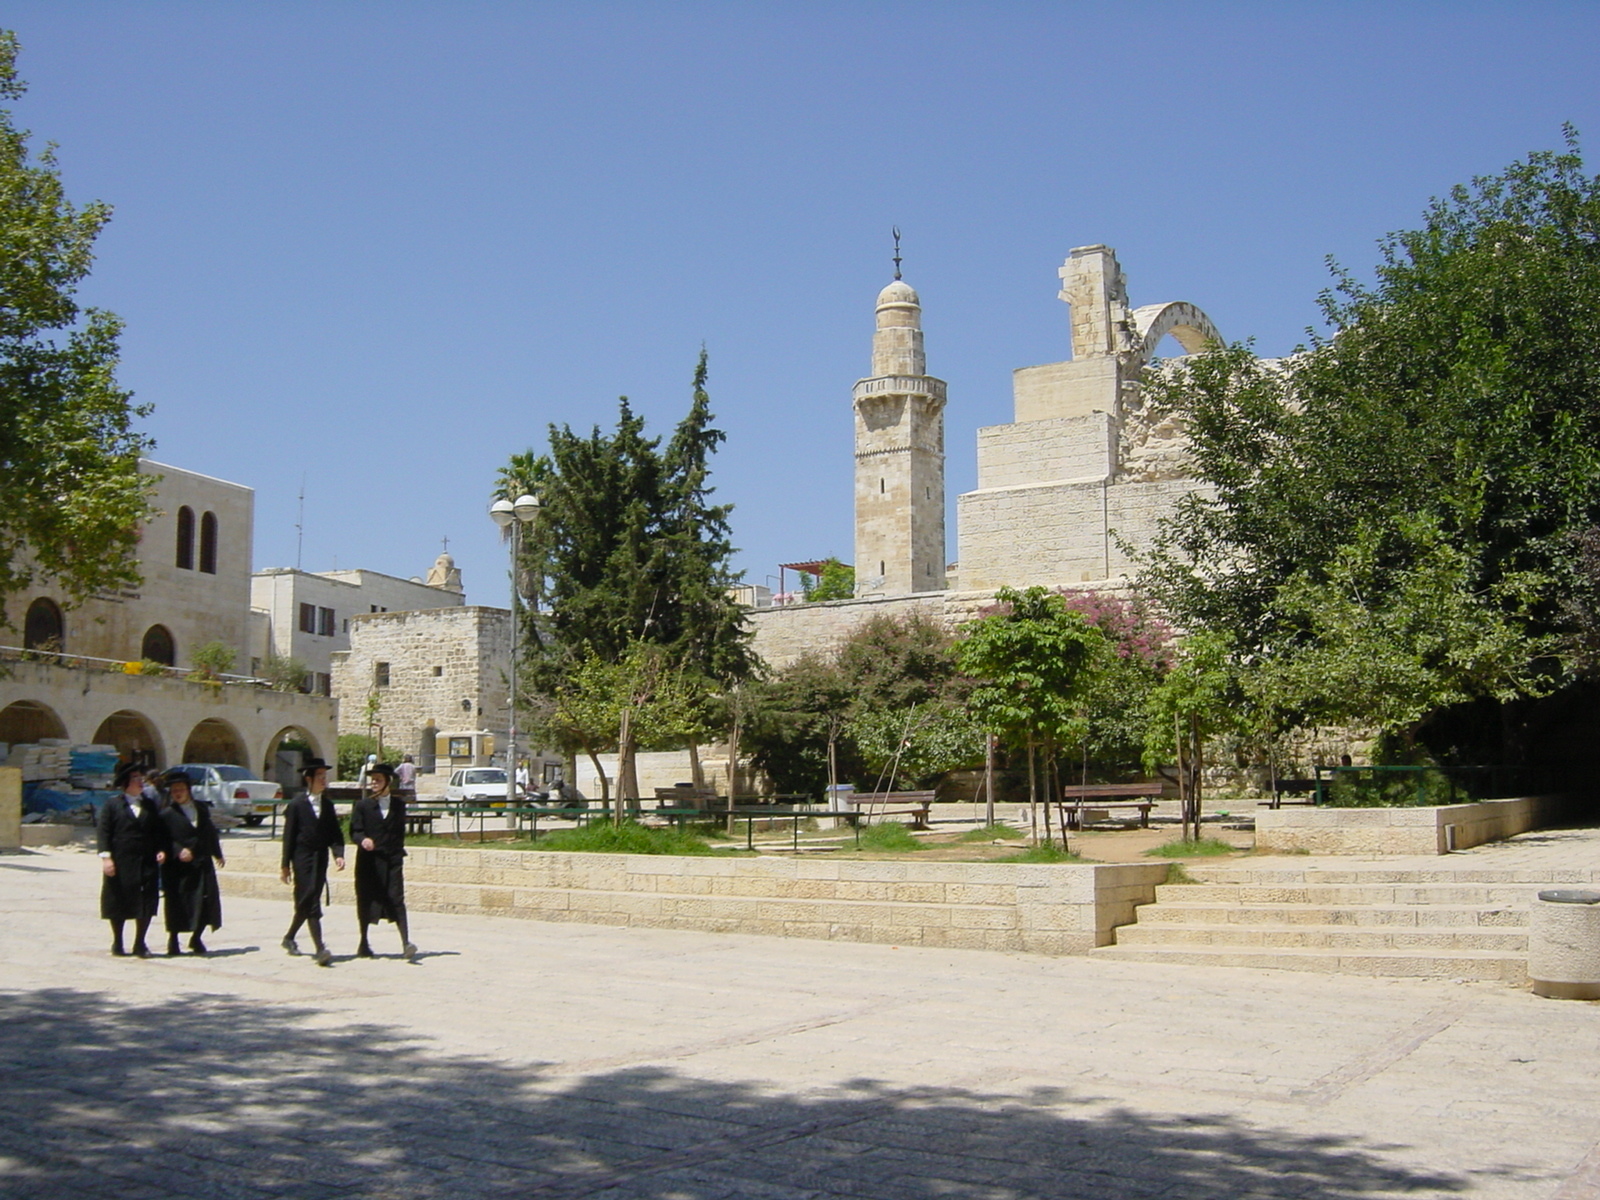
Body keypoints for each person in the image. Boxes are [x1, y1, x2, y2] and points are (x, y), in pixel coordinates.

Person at [96, 763, 168, 957]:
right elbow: (104, 832)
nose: (140, 782)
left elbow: (158, 830)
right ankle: (118, 942)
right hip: (121, 859)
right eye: (136, 778)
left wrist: (161, 849)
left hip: (145, 860)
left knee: (145, 901)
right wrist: (106, 858)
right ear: (126, 782)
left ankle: (140, 943)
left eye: (141, 778)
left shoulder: (149, 804)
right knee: (117, 899)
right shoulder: (112, 805)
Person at [280, 757, 345, 966]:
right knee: (310, 899)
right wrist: (285, 865)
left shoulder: (327, 805)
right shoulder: (297, 804)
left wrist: (338, 854)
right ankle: (320, 948)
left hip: (320, 858)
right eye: (319, 776)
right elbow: (289, 836)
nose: (323, 780)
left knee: (308, 899)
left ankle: (289, 937)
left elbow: (335, 833)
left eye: (324, 777)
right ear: (308, 779)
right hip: (302, 857)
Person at [349, 762, 416, 960]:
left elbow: (399, 833)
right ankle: (363, 942)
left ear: (388, 782)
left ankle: (406, 942)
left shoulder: (399, 806)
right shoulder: (362, 806)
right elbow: (355, 831)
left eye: (378, 780)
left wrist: (396, 854)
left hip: (392, 861)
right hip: (369, 863)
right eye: (372, 780)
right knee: (366, 900)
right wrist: (363, 840)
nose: (374, 784)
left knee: (397, 899)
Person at [158, 768, 225, 956]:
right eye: (174, 790)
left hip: (202, 861)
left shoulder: (202, 808)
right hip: (178, 866)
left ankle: (196, 938)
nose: (178, 793)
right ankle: (173, 940)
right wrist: (178, 850)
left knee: (206, 901)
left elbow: (208, 831)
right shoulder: (167, 815)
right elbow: (162, 839)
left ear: (188, 789)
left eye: (181, 789)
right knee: (177, 902)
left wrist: (217, 853)